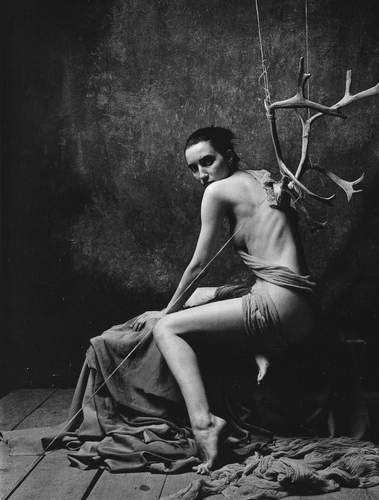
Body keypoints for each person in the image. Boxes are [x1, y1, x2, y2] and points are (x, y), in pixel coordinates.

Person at [131, 127, 316, 474]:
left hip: (277, 305)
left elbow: (198, 265)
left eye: (207, 162)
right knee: (206, 295)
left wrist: (166, 312)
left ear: (227, 157)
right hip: (302, 306)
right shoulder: (262, 179)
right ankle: (260, 348)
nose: (202, 174)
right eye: (193, 168)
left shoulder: (217, 191)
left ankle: (204, 424)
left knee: (167, 328)